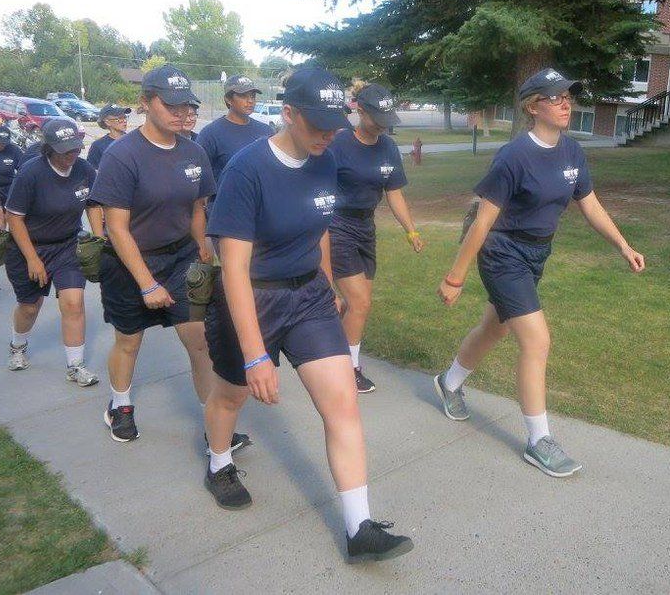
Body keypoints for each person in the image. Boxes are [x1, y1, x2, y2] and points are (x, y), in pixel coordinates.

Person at [203, 66, 413, 563]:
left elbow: (319, 227)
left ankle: (359, 526)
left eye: (333, 123)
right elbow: (232, 268)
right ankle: (218, 462)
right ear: (289, 113)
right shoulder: (246, 169)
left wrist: (325, 281)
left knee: (343, 404)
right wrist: (256, 356)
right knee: (232, 395)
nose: (328, 134)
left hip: (310, 299)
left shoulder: (325, 160)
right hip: (255, 297)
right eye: (316, 124)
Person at [434, 68, 645, 477]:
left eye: (568, 95)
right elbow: (481, 221)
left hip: (536, 254)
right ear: (533, 107)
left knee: (495, 327)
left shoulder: (571, 152)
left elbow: (590, 205)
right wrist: (455, 277)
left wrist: (623, 245)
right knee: (537, 340)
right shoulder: (514, 156)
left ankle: (450, 382)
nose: (566, 103)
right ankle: (538, 440)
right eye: (554, 97)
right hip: (503, 251)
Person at [90, 64, 248, 451]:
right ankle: (121, 406)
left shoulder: (194, 151)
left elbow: (197, 209)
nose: (182, 113)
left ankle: (215, 425)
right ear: (146, 103)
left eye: (187, 106)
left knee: (200, 342)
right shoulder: (121, 155)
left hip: (180, 261)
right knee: (129, 341)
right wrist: (146, 283)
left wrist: (204, 251)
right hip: (129, 265)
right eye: (172, 105)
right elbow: (117, 228)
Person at [329, 83, 422, 392]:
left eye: (387, 117)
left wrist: (410, 230)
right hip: (337, 226)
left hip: (366, 229)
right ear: (360, 111)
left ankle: (333, 351)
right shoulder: (339, 144)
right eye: (378, 117)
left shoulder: (388, 147)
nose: (384, 124)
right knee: (361, 302)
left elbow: (393, 193)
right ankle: (348, 370)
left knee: (356, 305)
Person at [3, 118, 101, 380]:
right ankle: (18, 347)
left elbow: (93, 203)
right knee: (30, 306)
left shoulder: (84, 169)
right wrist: (33, 259)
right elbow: (14, 218)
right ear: (49, 148)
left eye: (76, 148)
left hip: (67, 246)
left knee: (73, 303)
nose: (72, 154)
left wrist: (99, 238)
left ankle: (75, 366)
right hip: (28, 248)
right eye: (65, 149)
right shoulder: (31, 173)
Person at [196, 75, 273, 186]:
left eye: (253, 96)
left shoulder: (266, 131)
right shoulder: (210, 134)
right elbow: (200, 178)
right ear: (228, 99)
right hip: (224, 200)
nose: (250, 101)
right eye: (243, 96)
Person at [0, 125, 23, 205]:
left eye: (4, 143)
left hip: (8, 187)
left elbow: (23, 169)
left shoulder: (14, 150)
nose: (2, 145)